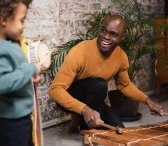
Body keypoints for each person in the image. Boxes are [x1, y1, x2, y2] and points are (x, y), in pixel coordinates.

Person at [48, 15, 164, 131]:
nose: (106, 37)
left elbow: (125, 85)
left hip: (93, 100)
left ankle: (82, 120)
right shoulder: (80, 51)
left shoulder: (121, 56)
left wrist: (148, 101)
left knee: (119, 130)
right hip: (70, 97)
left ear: (122, 37)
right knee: (99, 84)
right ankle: (87, 131)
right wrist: (84, 109)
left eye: (113, 34)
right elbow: (55, 90)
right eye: (103, 30)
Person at [0, 0, 42, 146]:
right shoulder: (2, 48)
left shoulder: (10, 43)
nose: (23, 26)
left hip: (20, 118)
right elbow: (2, 82)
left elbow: (14, 73)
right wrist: (31, 69)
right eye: (21, 20)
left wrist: (28, 78)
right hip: (12, 122)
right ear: (4, 18)